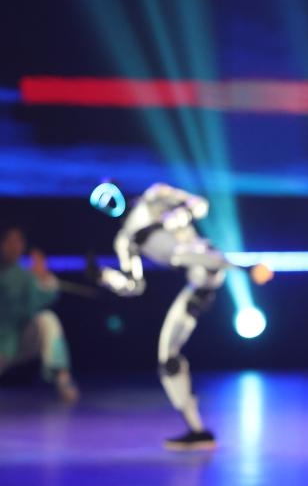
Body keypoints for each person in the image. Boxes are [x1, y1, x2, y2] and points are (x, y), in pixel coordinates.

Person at [90, 183, 228, 451]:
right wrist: (104, 277)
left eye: (109, 195)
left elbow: (199, 204)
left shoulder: (156, 197)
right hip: (197, 281)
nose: (109, 203)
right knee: (168, 357)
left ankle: (198, 431)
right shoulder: (125, 240)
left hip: (205, 263)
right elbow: (134, 285)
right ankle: (197, 430)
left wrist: (171, 218)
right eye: (102, 202)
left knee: (169, 353)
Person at [0, 225, 79, 402]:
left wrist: (42, 277)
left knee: (47, 320)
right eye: (10, 241)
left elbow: (39, 301)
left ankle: (63, 379)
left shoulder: (24, 276)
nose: (15, 246)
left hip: (16, 341)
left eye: (19, 241)